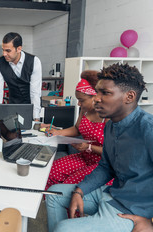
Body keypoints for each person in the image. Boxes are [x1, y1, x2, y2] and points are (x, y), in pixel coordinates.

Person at [46, 63, 153, 232]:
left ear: (129, 97)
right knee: (54, 195)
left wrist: (151, 222)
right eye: (97, 92)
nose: (96, 98)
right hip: (112, 193)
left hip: (131, 210)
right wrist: (80, 190)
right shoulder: (111, 127)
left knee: (63, 228)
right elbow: (106, 167)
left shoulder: (148, 129)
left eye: (105, 93)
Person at [45, 70, 112, 190]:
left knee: (67, 187)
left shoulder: (108, 117)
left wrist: (89, 147)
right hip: (85, 157)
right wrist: (58, 132)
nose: (79, 104)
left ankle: (63, 205)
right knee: (50, 173)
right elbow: (77, 129)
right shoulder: (84, 110)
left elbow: (113, 153)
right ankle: (50, 202)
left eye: (82, 100)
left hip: (102, 165)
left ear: (95, 97)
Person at [0, 32, 42, 121]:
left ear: (19, 49)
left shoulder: (34, 61)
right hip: (12, 106)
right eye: (3, 50)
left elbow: (35, 93)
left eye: (8, 50)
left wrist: (36, 117)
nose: (4, 54)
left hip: (30, 107)